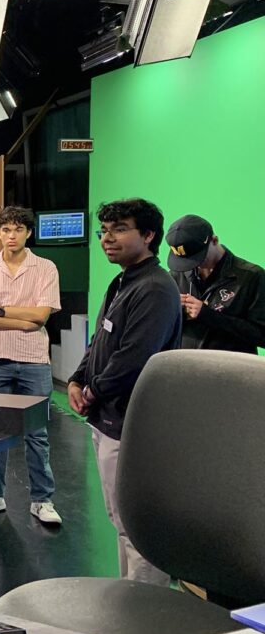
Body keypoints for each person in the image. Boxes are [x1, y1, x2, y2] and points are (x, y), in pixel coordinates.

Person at [68, 198, 181, 584]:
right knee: (120, 520)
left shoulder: (154, 288)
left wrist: (93, 391)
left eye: (119, 229)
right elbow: (101, 338)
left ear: (148, 235)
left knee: (137, 527)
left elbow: (135, 356)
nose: (107, 238)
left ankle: (148, 616)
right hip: (108, 419)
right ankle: (129, 603)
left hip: (132, 423)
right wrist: (76, 378)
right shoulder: (122, 281)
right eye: (104, 230)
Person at [0, 206, 63, 525]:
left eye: (18, 229)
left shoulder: (45, 267)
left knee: (37, 433)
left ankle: (42, 499)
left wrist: (1, 311)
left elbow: (41, 316)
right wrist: (20, 320)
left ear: (28, 232)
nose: (11, 236)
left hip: (34, 360)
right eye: (6, 230)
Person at [165, 214, 265, 354]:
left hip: (231, 371)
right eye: (186, 260)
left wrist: (210, 316)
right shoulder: (176, 275)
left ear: (214, 240)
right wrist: (174, 313)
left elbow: (262, 335)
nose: (194, 264)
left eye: (198, 257)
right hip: (185, 370)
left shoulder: (252, 276)